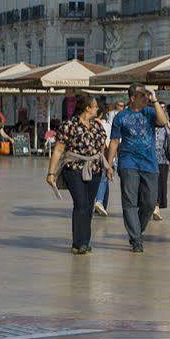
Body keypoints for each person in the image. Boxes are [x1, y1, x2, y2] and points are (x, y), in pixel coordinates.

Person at [105, 87, 168, 254]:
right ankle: (136, 240)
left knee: (149, 202)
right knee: (130, 202)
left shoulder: (149, 112)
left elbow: (162, 122)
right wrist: (109, 165)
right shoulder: (121, 117)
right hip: (128, 162)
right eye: (143, 96)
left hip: (149, 163)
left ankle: (136, 231)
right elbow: (114, 141)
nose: (146, 98)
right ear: (132, 98)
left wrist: (154, 100)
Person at [45, 96, 108, 254]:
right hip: (74, 168)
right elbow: (59, 149)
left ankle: (85, 241)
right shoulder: (69, 125)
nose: (97, 109)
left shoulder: (97, 126)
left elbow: (102, 149)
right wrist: (51, 173)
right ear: (87, 108)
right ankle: (78, 243)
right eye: (94, 106)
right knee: (80, 203)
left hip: (95, 169)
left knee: (88, 205)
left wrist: (108, 166)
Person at [151, 104, 170, 223]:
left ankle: (155, 207)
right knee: (159, 184)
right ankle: (154, 207)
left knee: (157, 184)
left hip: (156, 159)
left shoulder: (162, 126)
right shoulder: (160, 126)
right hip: (155, 159)